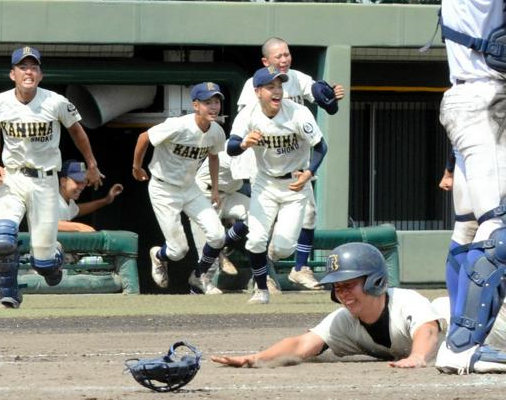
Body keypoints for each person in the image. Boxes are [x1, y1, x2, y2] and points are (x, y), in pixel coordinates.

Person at [0, 46, 103, 309]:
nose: (28, 71)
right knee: (2, 239)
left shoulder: (55, 101)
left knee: (44, 265)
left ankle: (52, 258)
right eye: (23, 67)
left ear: (41, 74)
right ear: (12, 74)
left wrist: (92, 164)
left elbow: (77, 131)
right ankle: (9, 295)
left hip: (45, 180)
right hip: (12, 177)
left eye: (34, 67)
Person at [211, 242, 443, 368]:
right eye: (338, 287)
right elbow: (301, 344)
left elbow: (429, 329)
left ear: (375, 281)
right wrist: (255, 358)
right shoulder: (344, 321)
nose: (343, 294)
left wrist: (418, 356)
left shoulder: (406, 301)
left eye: (349, 284)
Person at [435, 0, 506, 373]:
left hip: (484, 98)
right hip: (481, 100)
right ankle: (462, 345)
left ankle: (483, 336)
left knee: (470, 228)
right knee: (498, 232)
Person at [237, 37, 345, 290]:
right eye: (278, 56)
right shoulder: (253, 85)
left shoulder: (297, 78)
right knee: (261, 225)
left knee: (308, 215)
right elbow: (248, 122)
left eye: (287, 54)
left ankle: (299, 268)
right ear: (266, 61)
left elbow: (326, 103)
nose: (284, 60)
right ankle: (257, 274)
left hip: (295, 161)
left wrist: (332, 97)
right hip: (264, 161)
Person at [227, 65, 328, 304]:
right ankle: (261, 289)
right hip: (265, 183)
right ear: (257, 91)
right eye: (271, 86)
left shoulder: (298, 113)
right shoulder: (248, 114)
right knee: (255, 240)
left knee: (283, 249)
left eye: (280, 86)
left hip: (295, 184)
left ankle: (270, 254)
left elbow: (321, 147)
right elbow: (231, 147)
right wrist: (243, 144)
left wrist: (309, 172)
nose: (277, 91)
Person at [132, 82, 228, 293]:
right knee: (178, 250)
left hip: (190, 188)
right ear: (195, 105)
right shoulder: (178, 125)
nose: (213, 107)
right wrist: (136, 167)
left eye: (216, 102)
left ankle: (199, 275)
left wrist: (214, 189)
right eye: (207, 102)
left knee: (218, 235)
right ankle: (158, 255)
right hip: (163, 189)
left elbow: (214, 156)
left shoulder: (217, 131)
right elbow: (143, 137)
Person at [188, 147, 249, 294]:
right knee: (210, 262)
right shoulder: (232, 149)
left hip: (227, 195)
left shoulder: (255, 151)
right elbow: (253, 176)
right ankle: (192, 300)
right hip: (204, 195)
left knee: (256, 214)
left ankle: (224, 243)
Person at [58, 159, 124, 233]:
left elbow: (78, 210)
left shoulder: (68, 201)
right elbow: (45, 224)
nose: (82, 187)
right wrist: (79, 227)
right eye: (77, 181)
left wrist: (106, 200)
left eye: (84, 182)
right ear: (63, 181)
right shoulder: (52, 200)